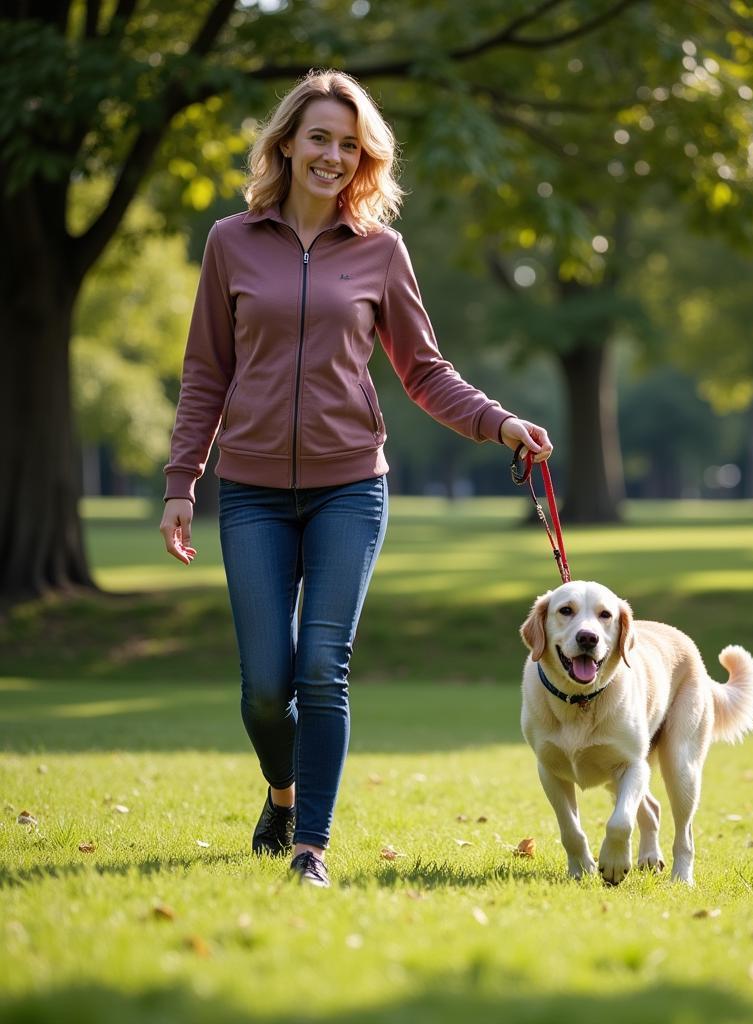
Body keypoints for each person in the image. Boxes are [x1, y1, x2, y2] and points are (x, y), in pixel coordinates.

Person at [159, 70, 552, 888]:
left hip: (349, 487)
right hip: (254, 491)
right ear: (286, 145)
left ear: (363, 156)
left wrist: (499, 421)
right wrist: (180, 482)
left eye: (350, 143)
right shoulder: (231, 241)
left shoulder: (380, 251)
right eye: (319, 139)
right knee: (266, 687)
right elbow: (205, 373)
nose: (334, 156)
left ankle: (310, 848)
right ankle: (282, 792)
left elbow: (424, 371)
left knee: (321, 669)